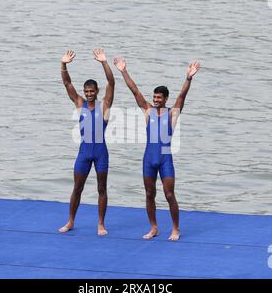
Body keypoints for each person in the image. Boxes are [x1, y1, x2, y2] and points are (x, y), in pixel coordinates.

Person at [113, 57, 200, 241]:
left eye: (159, 98)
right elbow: (134, 90)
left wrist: (188, 78)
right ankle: (154, 227)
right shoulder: (147, 111)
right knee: (149, 194)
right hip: (149, 159)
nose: (156, 100)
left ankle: (175, 228)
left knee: (169, 194)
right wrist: (123, 71)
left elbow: (182, 96)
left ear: (165, 99)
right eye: (154, 97)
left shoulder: (172, 113)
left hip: (165, 159)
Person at [59, 49, 115, 235]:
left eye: (92, 91)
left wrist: (104, 63)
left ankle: (101, 224)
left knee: (101, 188)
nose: (89, 94)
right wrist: (64, 65)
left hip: (100, 152)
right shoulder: (79, 103)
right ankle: (70, 221)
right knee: (77, 187)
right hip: (84, 152)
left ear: (97, 91)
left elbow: (111, 82)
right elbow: (67, 83)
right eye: (86, 91)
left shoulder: (104, 105)